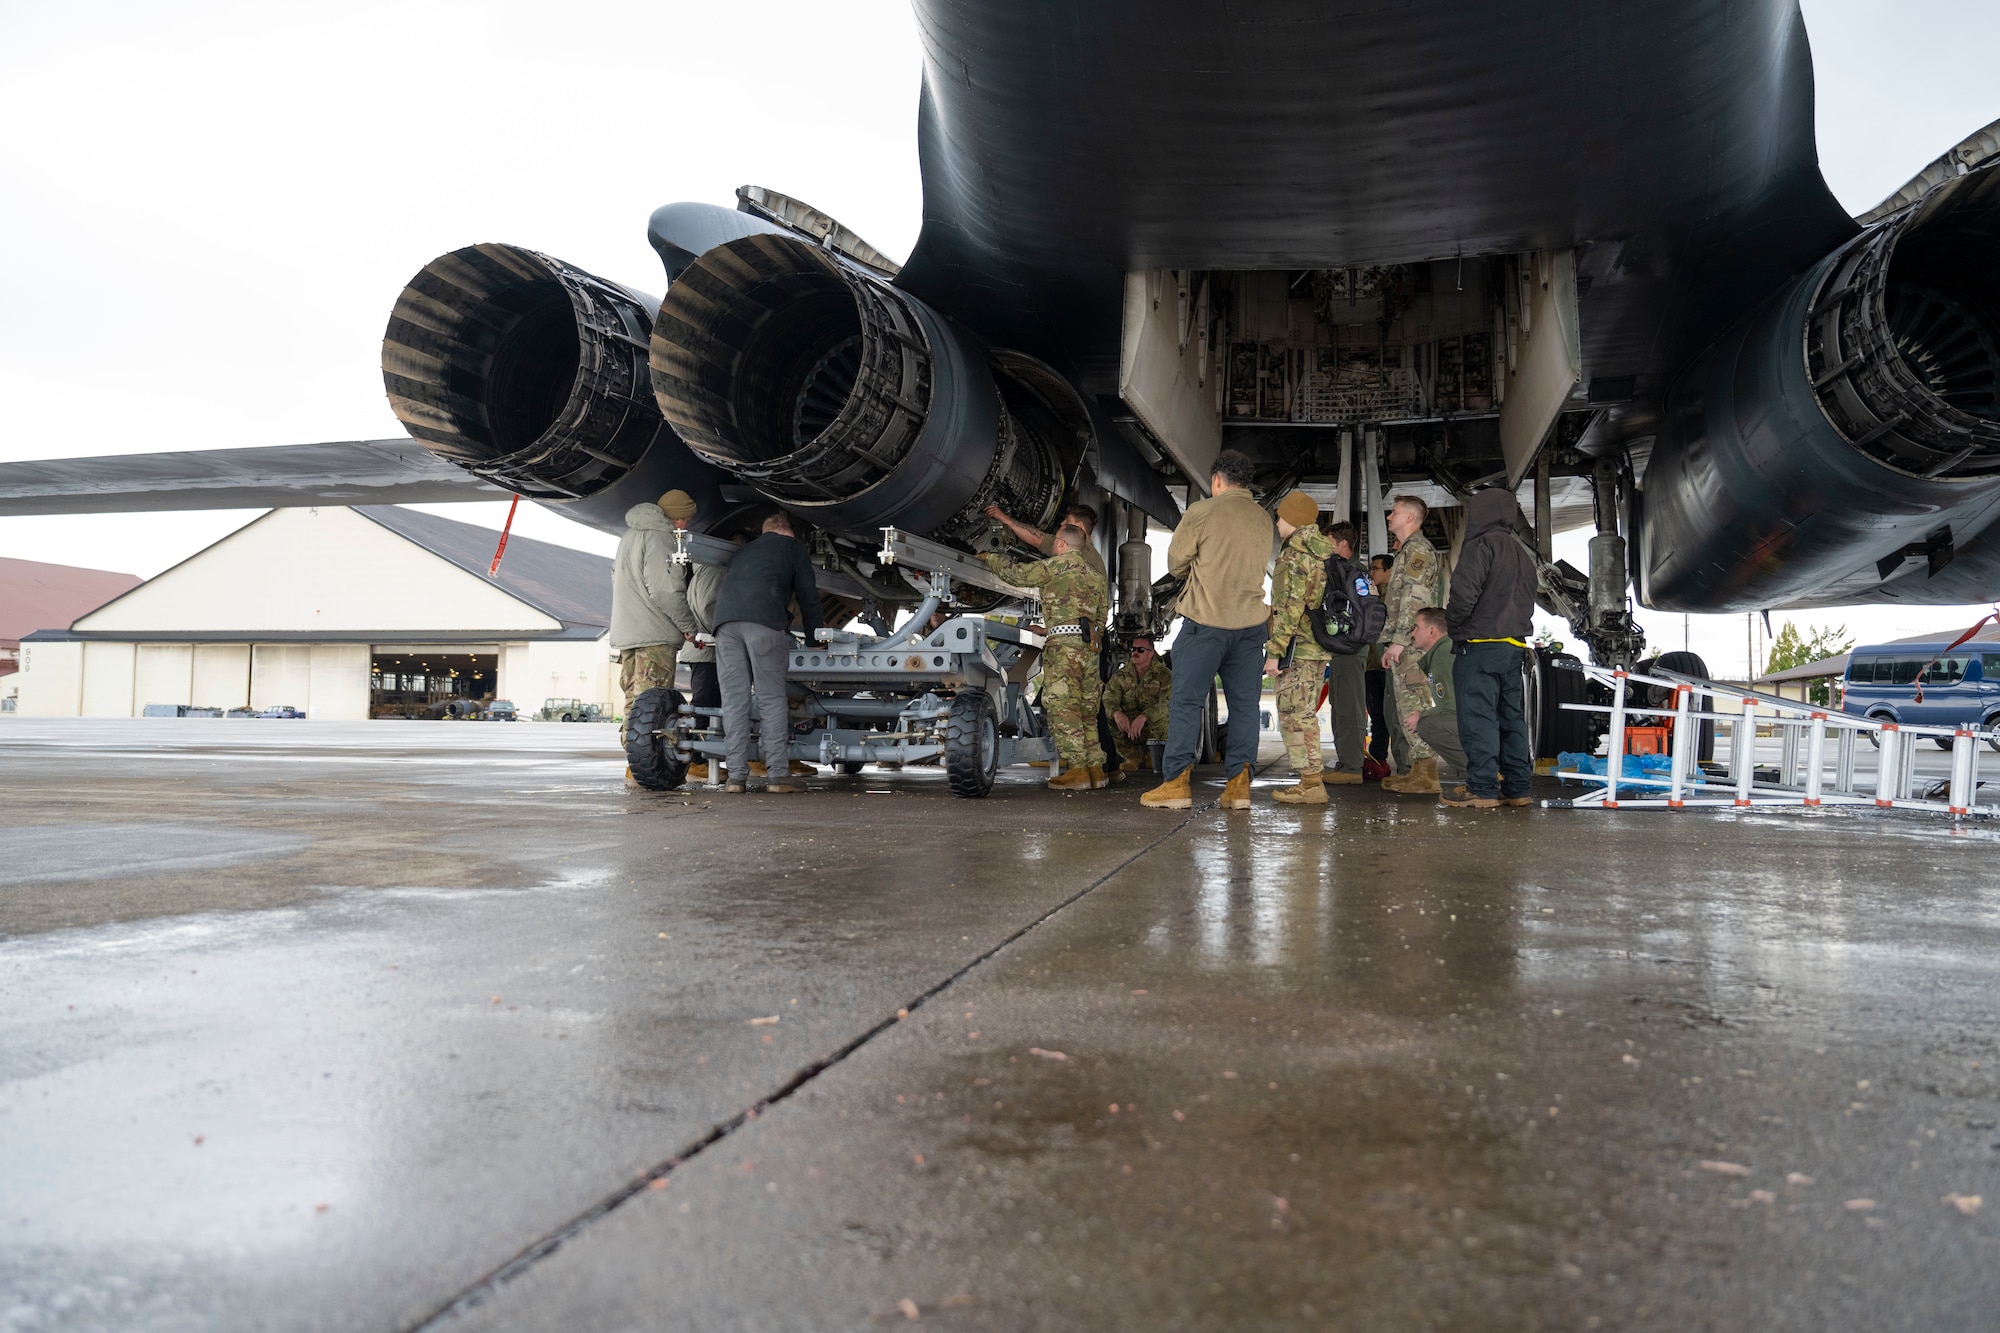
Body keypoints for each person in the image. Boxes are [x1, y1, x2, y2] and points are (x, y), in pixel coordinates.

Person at [1142, 449, 1273, 812]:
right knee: (1245, 707)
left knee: (1186, 703)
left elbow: (1176, 562)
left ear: (1217, 480)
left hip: (1206, 625)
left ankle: (1177, 785)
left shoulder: (1201, 512)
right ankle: (1238, 788)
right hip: (1250, 628)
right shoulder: (1263, 518)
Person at [980, 525, 1110, 789]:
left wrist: (989, 558)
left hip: (1064, 648)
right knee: (1087, 709)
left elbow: (1017, 574)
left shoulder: (1056, 566)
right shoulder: (1096, 577)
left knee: (1062, 703)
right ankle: (1095, 768)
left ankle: (1077, 771)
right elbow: (1100, 616)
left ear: (1062, 544)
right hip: (1089, 647)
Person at [713, 513, 822, 794]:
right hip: (764, 622)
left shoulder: (743, 551)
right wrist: (815, 638)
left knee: (734, 700)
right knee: (771, 697)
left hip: (724, 623)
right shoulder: (793, 548)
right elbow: (808, 594)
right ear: (789, 532)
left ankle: (735, 778)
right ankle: (778, 777)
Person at [1444, 487, 1538, 809]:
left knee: (1478, 718)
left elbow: (1462, 596)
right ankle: (1517, 788)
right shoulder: (1521, 553)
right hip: (1514, 647)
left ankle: (1482, 789)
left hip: (1480, 647)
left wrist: (1457, 630)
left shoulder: (1481, 546)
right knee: (1512, 719)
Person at [610, 490, 698, 773]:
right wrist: (688, 627)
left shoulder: (628, 537)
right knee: (652, 708)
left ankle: (632, 766)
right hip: (655, 635)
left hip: (629, 632)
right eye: (686, 520)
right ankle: (645, 769)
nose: (685, 527)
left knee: (634, 704)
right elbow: (665, 590)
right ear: (679, 517)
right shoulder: (661, 537)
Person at [1262, 491, 1337, 804]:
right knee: (1303, 712)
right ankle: (1311, 781)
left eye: (1280, 517)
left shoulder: (1294, 554)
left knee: (1294, 714)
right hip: (1318, 646)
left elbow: (1287, 607)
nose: (1277, 523)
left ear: (1292, 519)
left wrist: (1274, 652)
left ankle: (1311, 784)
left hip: (1298, 648)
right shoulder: (1323, 550)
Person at [1377, 495, 1447, 795]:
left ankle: (1427, 772)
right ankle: (1420, 769)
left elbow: (1414, 601)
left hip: (1411, 644)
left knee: (1414, 703)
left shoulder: (1418, 551)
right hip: (1407, 641)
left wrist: (1399, 641)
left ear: (1410, 518)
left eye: (1394, 512)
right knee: (1407, 704)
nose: (1389, 516)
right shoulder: (1408, 551)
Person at [1397, 607, 1468, 794]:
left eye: (1416, 627)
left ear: (1431, 631)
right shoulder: (1444, 650)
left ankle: (1481, 775)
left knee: (1428, 725)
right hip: (1482, 721)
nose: (1413, 633)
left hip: (1478, 722)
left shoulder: (1443, 655)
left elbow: (1453, 705)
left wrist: (1421, 715)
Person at [1320, 521, 1368, 787]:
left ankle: (1351, 767)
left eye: (1329, 543)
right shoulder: (1344, 572)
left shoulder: (1353, 573)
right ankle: (1345, 762)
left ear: (1342, 544)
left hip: (1350, 649)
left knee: (1350, 708)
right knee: (1339, 707)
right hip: (1341, 650)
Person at [983, 501, 1106, 578]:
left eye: (1067, 521)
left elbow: (1023, 575)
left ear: (1079, 526)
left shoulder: (1076, 550)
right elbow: (1039, 539)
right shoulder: (1095, 558)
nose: (1062, 523)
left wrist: (990, 558)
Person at [1104, 635, 1172, 773]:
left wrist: (1145, 716)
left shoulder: (1165, 675)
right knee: (1107, 720)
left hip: (1152, 724)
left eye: (1140, 649)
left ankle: (1162, 759)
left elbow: (1168, 703)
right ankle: (1133, 757)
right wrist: (1116, 713)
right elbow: (1108, 698)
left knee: (1166, 720)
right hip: (1129, 726)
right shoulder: (1120, 676)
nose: (1135, 652)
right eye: (1133, 649)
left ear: (1151, 653)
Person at [1363, 553, 1401, 777]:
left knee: (1392, 715)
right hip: (1371, 664)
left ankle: (1402, 764)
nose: (1371, 573)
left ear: (1389, 571)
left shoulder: (1394, 598)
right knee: (1377, 716)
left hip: (1387, 664)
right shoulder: (1371, 595)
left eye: (1376, 569)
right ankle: (1377, 760)